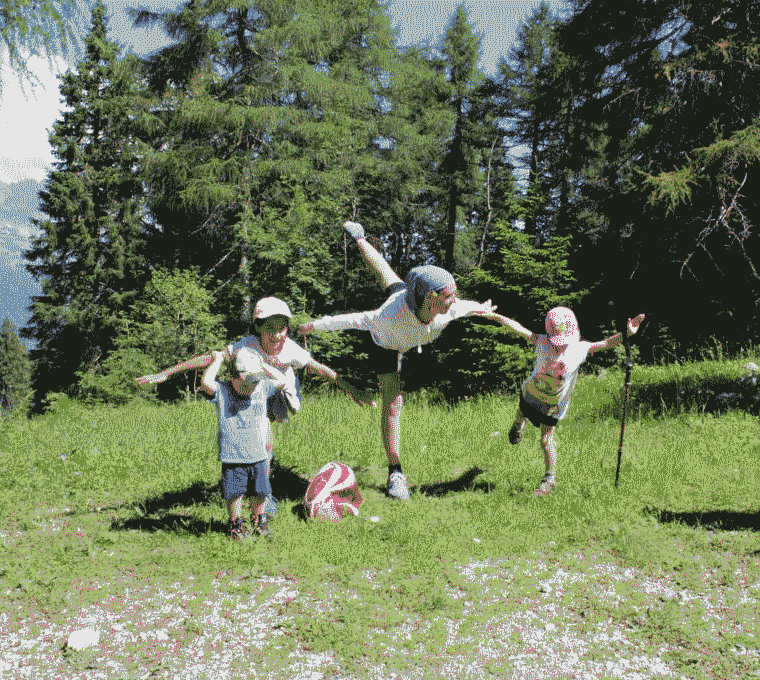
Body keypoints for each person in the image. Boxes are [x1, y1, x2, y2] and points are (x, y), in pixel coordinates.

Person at [298, 220, 496, 500]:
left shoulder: (446, 307)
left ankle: (360, 237)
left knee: (384, 271)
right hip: (387, 344)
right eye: (449, 295)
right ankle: (396, 472)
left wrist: (482, 308)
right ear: (430, 297)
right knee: (393, 404)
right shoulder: (386, 318)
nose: (455, 300)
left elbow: (467, 308)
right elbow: (353, 320)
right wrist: (315, 326)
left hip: (410, 318)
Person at [482, 306, 645, 495]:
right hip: (532, 392)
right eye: (557, 342)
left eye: (564, 341)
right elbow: (516, 327)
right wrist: (495, 316)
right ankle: (518, 426)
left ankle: (549, 479)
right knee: (521, 412)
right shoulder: (541, 341)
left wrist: (626, 334)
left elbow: (606, 343)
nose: (560, 346)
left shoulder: (580, 348)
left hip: (553, 404)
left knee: (545, 438)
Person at [135, 296, 373, 411]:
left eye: (282, 328)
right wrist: (165, 374)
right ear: (258, 328)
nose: (279, 335)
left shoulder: (291, 349)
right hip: (255, 388)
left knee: (287, 410)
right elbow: (210, 357)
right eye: (271, 329)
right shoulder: (247, 345)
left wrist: (352, 390)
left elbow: (321, 369)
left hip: (283, 387)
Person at [199, 349, 277, 540]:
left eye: (254, 381)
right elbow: (206, 383)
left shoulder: (262, 387)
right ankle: (236, 524)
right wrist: (217, 359)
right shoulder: (223, 391)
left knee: (260, 492)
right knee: (235, 494)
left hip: (259, 454)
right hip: (233, 456)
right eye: (245, 382)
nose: (250, 387)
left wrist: (261, 365)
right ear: (231, 376)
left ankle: (260, 521)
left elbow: (282, 380)